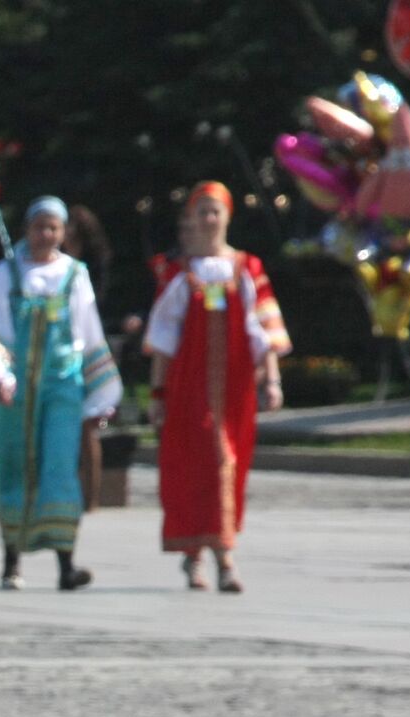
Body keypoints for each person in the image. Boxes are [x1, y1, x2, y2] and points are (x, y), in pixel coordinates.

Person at [0, 198, 122, 591]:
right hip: (15, 391)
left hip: (61, 387)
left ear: (63, 232)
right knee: (13, 467)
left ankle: (66, 565)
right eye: (40, 227)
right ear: (27, 229)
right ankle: (11, 562)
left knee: (59, 467)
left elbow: (88, 333)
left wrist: (99, 395)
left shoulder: (75, 274)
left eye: (54, 228)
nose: (46, 235)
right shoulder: (6, 274)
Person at [145, 182, 291, 593]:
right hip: (188, 389)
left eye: (215, 211)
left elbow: (262, 327)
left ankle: (223, 553)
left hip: (234, 389)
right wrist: (157, 394)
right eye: (202, 212)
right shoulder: (179, 273)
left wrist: (273, 379)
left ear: (228, 216)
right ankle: (201, 557)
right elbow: (163, 338)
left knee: (228, 463)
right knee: (196, 467)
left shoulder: (247, 268)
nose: (209, 220)